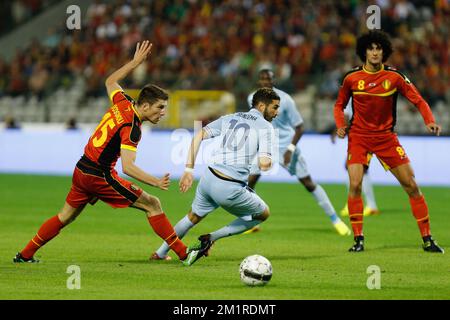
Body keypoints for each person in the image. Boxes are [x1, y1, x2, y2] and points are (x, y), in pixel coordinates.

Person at [13, 41, 211, 265]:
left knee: (65, 216)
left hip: (81, 169)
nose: (162, 113)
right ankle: (185, 254)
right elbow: (128, 167)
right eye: (159, 108)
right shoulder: (132, 128)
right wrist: (154, 181)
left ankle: (25, 254)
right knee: (152, 203)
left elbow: (110, 81)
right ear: (144, 107)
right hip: (99, 175)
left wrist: (135, 63)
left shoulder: (123, 101)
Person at [334, 30, 444, 253]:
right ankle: (358, 240)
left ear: (384, 52)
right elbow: (339, 105)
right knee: (355, 184)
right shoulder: (351, 78)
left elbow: (419, 100)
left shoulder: (395, 77)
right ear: (364, 52)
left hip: (386, 138)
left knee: (411, 186)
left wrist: (429, 121)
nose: (375, 53)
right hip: (359, 137)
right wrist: (340, 125)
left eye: (379, 49)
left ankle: (427, 238)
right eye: (371, 48)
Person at [152, 88, 279, 261]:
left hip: (209, 178)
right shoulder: (266, 127)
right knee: (263, 213)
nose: (276, 112)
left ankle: (160, 253)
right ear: (262, 105)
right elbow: (264, 164)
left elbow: (198, 135)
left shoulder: (230, 117)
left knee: (192, 217)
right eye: (274, 107)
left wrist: (189, 170)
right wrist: (268, 159)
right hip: (230, 187)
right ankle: (212, 238)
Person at [245, 69, 351, 236]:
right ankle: (251, 221)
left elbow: (300, 127)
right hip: (265, 147)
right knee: (249, 182)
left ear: (274, 80)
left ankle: (335, 220)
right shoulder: (252, 98)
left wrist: (290, 149)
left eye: (268, 78)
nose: (265, 81)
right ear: (259, 81)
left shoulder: (285, 100)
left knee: (308, 183)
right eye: (262, 78)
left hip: (286, 145)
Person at [331, 98, 379, 217]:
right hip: (367, 136)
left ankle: (363, 205)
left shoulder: (352, 96)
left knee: (352, 167)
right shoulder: (358, 95)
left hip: (367, 136)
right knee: (357, 168)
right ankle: (364, 205)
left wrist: (339, 130)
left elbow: (346, 118)